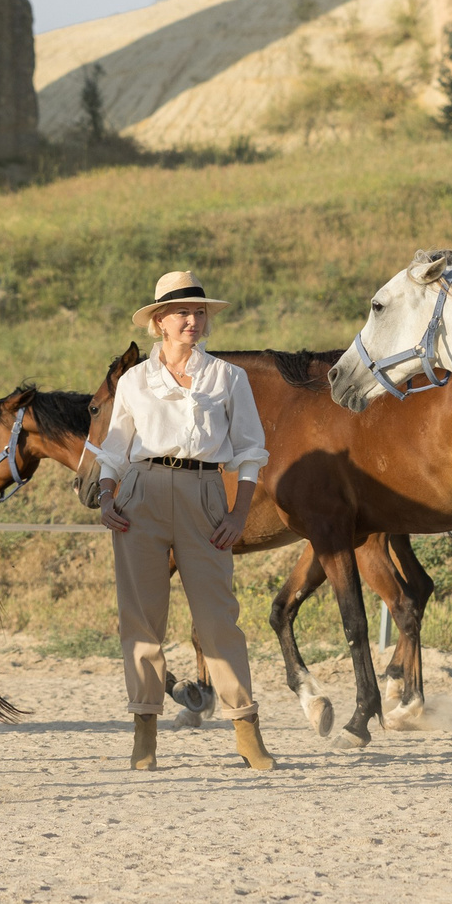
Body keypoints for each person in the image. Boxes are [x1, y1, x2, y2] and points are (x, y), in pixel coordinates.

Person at [92, 272, 274, 772]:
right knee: (142, 620)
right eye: (181, 313)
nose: (193, 320)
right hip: (140, 496)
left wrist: (239, 512)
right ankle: (144, 732)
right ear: (159, 323)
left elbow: (250, 452)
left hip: (205, 495)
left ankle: (245, 728)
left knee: (218, 618)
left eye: (199, 312)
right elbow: (114, 450)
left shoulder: (228, 377)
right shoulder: (133, 381)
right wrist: (108, 497)